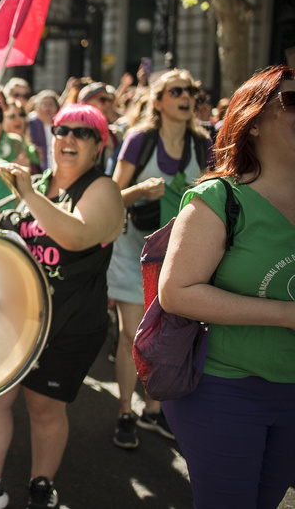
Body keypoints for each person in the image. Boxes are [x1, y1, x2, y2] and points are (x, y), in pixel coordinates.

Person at [0, 104, 124, 509]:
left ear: (98, 145)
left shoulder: (102, 189)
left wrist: (28, 194)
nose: (69, 138)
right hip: (15, 318)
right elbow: (7, 228)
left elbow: (76, 236)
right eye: (62, 130)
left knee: (43, 408)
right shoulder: (37, 183)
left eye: (82, 132)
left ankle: (42, 485)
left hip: (69, 323)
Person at [158, 65, 295, 509]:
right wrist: (286, 315)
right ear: (253, 121)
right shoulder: (220, 198)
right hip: (225, 389)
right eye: (292, 102)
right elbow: (176, 292)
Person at [107, 69, 212, 450]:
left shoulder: (203, 144)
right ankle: (125, 410)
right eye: (176, 91)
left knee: (167, 337)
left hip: (180, 260)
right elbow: (110, 197)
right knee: (131, 336)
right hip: (133, 255)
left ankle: (153, 410)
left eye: (191, 91)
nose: (186, 97)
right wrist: (140, 191)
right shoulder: (139, 140)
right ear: (157, 100)